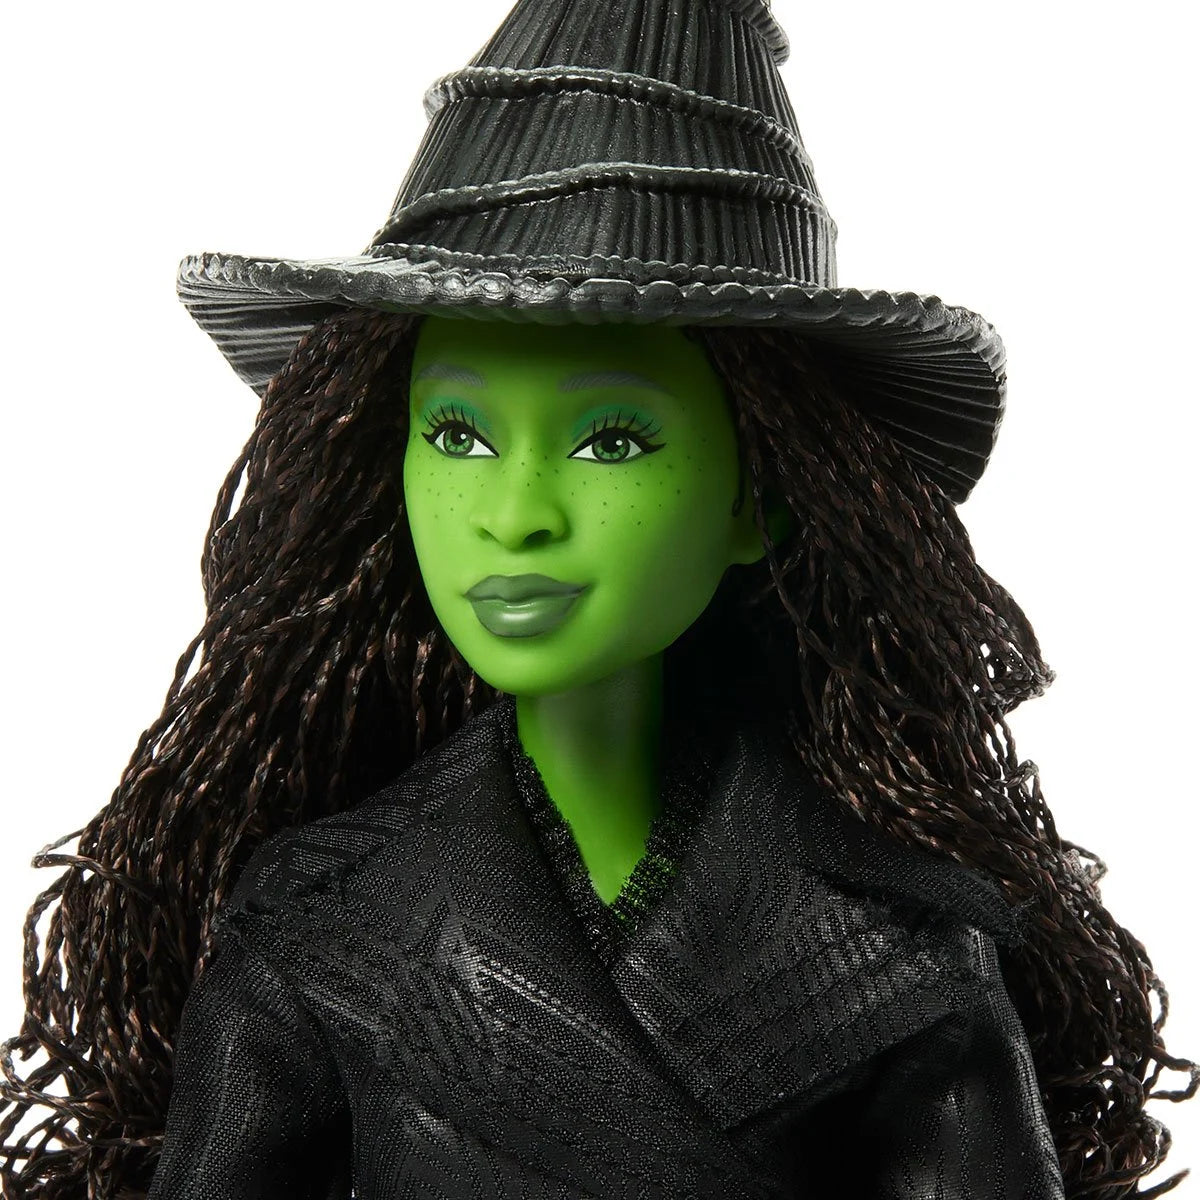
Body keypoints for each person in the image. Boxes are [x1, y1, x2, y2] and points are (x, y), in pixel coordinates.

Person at [1, 0, 1195, 1196]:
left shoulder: (901, 950)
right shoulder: (319, 923)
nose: (515, 513)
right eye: (458, 434)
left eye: (611, 440)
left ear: (761, 496)